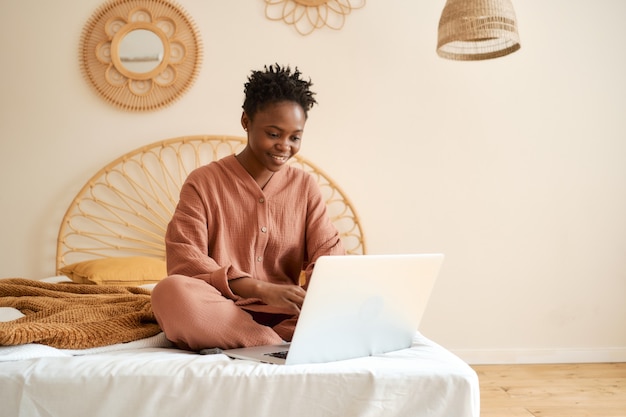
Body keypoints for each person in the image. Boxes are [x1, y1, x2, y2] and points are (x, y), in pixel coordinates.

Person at [151, 64, 345, 351]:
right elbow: (185, 259)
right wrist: (256, 288)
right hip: (221, 308)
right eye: (274, 133)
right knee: (169, 293)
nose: (284, 146)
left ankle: (264, 343)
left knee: (361, 300)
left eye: (295, 137)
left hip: (288, 316)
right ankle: (273, 346)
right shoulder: (203, 183)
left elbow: (329, 257)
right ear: (246, 121)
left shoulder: (305, 187)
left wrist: (320, 295)